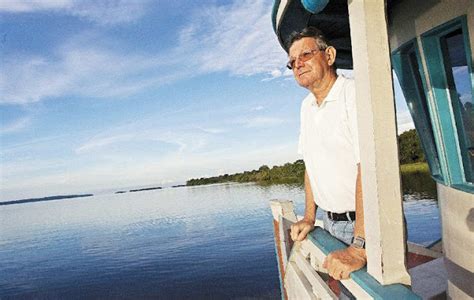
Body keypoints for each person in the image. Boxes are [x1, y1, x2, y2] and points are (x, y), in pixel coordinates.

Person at [287, 27, 366, 281]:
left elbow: (370, 168)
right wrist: (310, 217)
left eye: (305, 54)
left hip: (365, 226)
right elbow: (311, 166)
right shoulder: (306, 107)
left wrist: (360, 245)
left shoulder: (353, 95)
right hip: (329, 222)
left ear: (329, 56)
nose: (298, 64)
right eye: (292, 62)